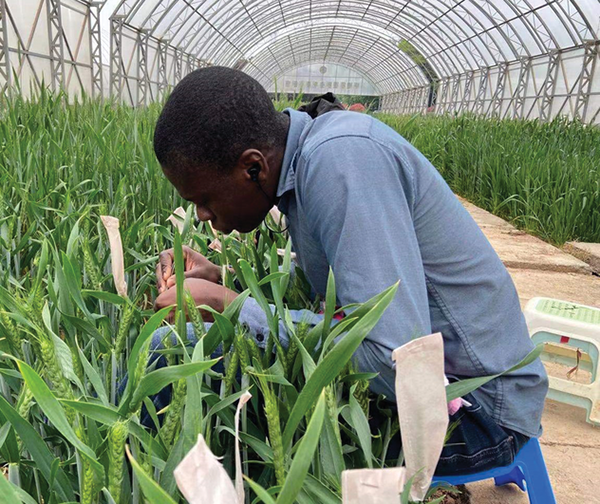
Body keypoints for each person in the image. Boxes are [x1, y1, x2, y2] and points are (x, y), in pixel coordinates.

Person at [152, 66, 548, 475]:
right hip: (436, 386)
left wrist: (231, 308)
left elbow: (394, 359)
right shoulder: (306, 160)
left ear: (254, 167)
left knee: (170, 359)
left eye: (203, 199)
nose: (201, 215)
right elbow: (342, 296)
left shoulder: (340, 160)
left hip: (477, 411)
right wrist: (223, 282)